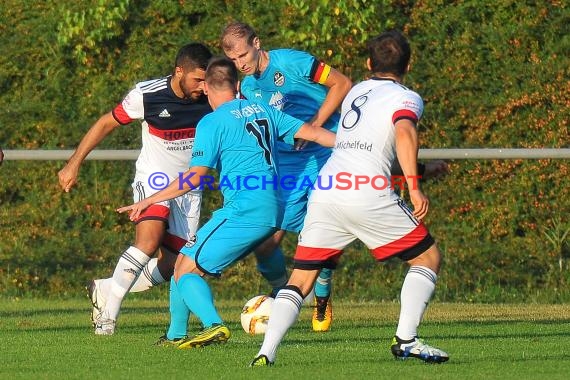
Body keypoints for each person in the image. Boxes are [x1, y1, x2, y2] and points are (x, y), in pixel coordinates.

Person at [250, 30, 449, 366]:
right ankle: (407, 340)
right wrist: (414, 186)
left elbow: (368, 148)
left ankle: (265, 353)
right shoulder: (407, 97)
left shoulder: (356, 91)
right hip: (367, 191)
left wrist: (421, 170)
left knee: (300, 279)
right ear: (409, 64)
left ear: (368, 63)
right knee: (427, 258)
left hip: (327, 189)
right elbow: (403, 132)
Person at [116, 57, 337, 348]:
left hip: (245, 208)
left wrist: (149, 200)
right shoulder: (265, 110)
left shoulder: (211, 122)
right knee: (184, 259)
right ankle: (175, 335)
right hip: (274, 206)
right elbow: (317, 134)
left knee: (186, 271)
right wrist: (361, 150)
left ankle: (214, 325)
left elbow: (194, 178)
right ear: (237, 85)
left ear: (207, 87)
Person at [58, 43, 213, 335]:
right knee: (148, 239)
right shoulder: (148, 94)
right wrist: (73, 164)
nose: (202, 87)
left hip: (189, 188)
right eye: (197, 79)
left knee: (173, 268)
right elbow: (106, 123)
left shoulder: (213, 95)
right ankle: (108, 318)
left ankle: (105, 288)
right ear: (179, 71)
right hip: (153, 178)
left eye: (207, 80)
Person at [221, 21, 353, 332]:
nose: (240, 64)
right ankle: (287, 296)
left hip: (325, 155)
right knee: (265, 244)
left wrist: (317, 125)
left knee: (322, 234)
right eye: (234, 60)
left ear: (257, 42)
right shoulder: (246, 88)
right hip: (288, 166)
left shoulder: (292, 62)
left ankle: (321, 297)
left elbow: (343, 83)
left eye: (243, 55)